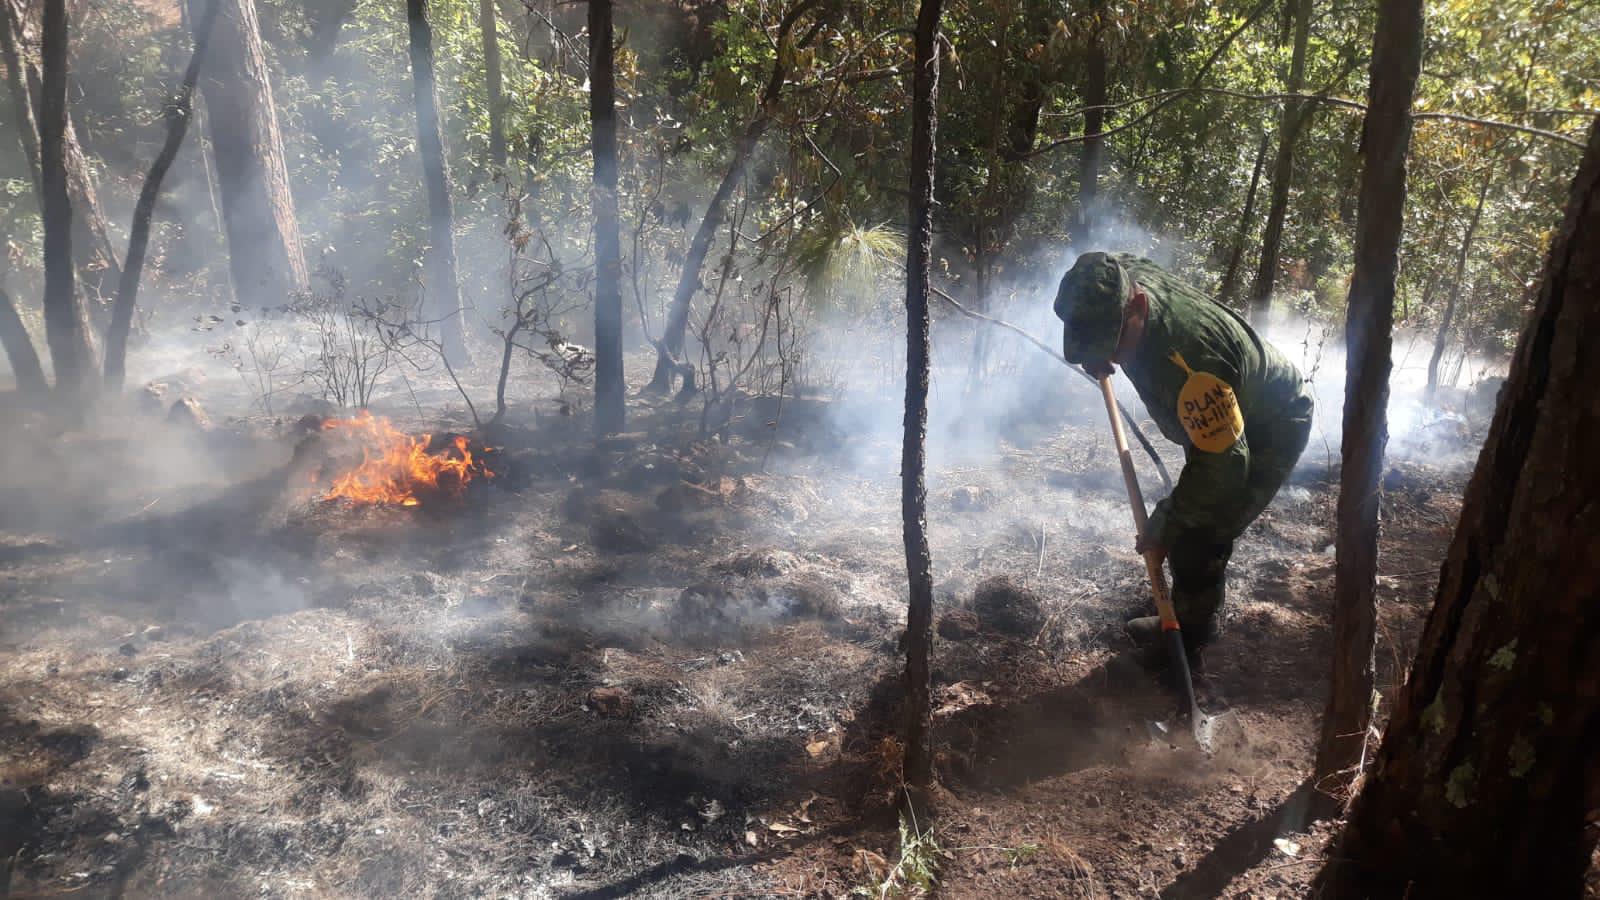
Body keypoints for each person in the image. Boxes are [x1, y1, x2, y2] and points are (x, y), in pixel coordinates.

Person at [1053, 251, 1314, 671]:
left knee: (1199, 527)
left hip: (1271, 421)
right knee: (1188, 515)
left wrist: (1167, 522)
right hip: (1224, 414)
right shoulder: (1117, 277)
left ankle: (1189, 637)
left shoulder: (1194, 366)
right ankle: (1185, 608)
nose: (1112, 357)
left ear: (1137, 305)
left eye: (1114, 342)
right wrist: (1096, 347)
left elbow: (1225, 466)